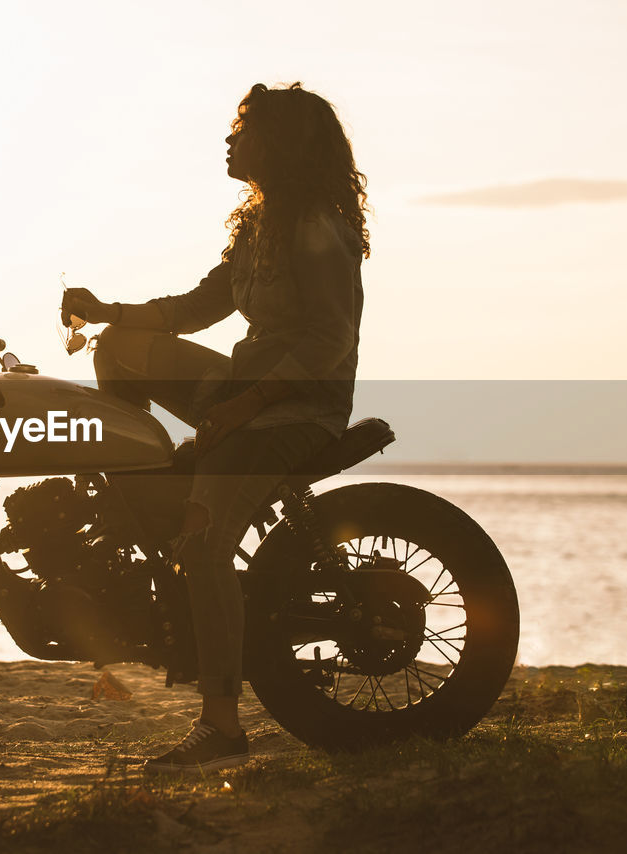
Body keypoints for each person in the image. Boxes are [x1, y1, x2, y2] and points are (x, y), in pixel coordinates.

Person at [60, 82, 369, 774]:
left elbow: (328, 341)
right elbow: (198, 308)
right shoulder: (260, 223)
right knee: (117, 348)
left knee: (203, 550)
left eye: (245, 128)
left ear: (281, 143)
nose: (230, 139)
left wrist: (240, 408)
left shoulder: (316, 223)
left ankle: (222, 726)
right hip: (243, 392)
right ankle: (142, 485)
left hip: (295, 406)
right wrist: (107, 308)